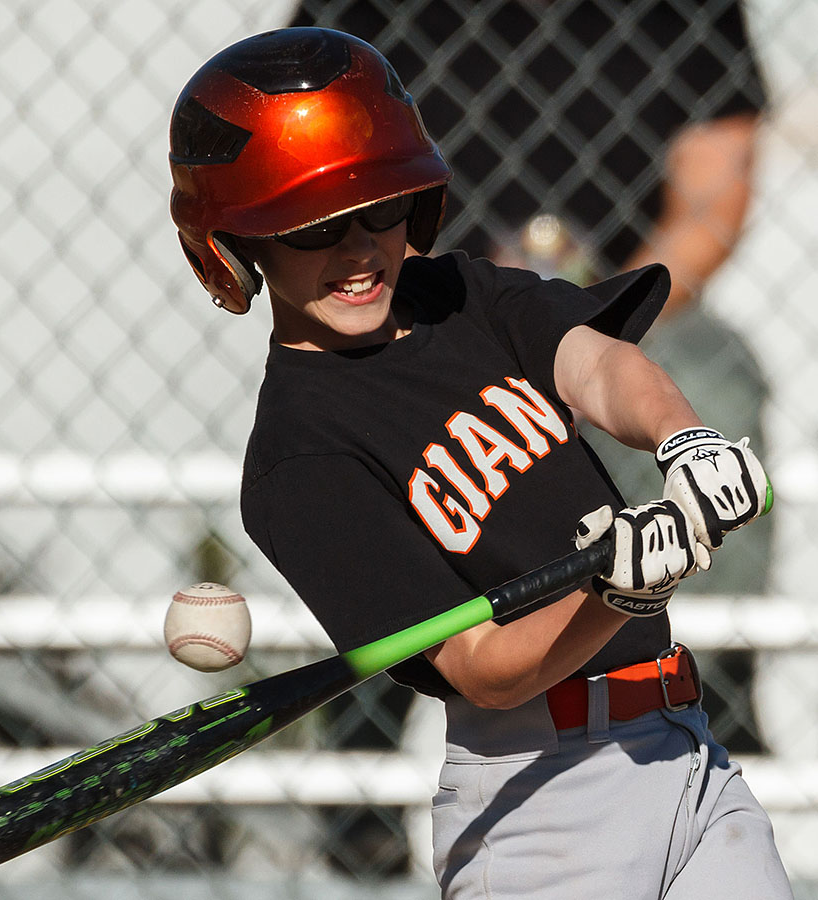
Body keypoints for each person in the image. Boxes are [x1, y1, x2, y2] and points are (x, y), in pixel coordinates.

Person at [167, 27, 791, 898]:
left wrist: (683, 439)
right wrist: (617, 594)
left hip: (687, 750)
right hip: (542, 806)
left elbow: (594, 363)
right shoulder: (298, 461)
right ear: (236, 248)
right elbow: (481, 667)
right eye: (312, 228)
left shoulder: (464, 294)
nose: (356, 250)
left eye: (378, 208)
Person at [290, 0, 773, 753]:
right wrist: (438, 301)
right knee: (379, 412)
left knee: (713, 373)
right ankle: (365, 745)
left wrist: (565, 315)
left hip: (629, 290)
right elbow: (322, 172)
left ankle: (723, 695)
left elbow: (720, 175)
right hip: (426, 303)